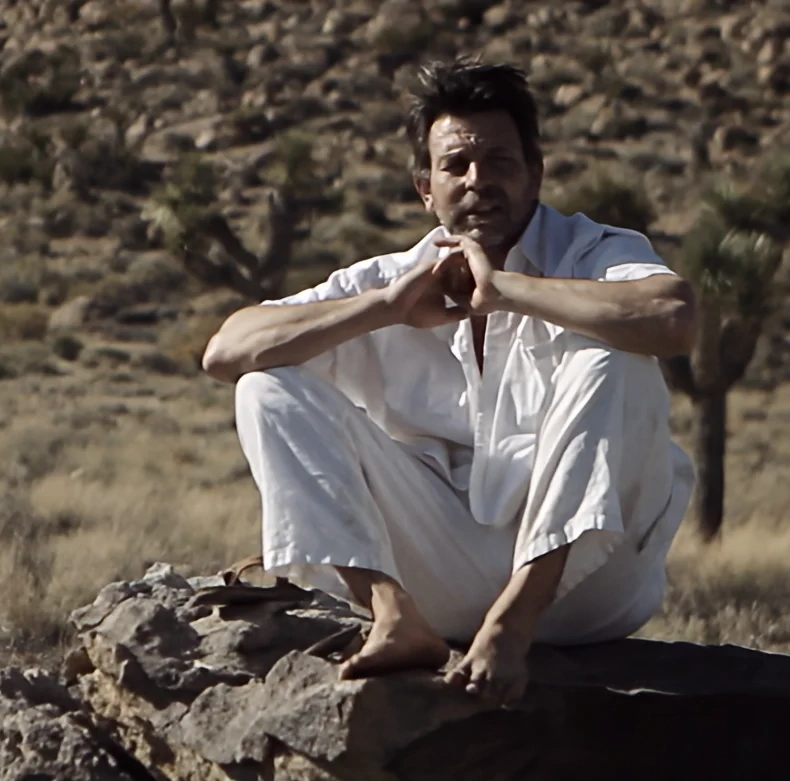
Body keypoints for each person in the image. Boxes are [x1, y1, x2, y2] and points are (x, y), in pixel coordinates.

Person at [199, 58, 698, 705]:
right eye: (457, 165)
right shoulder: (394, 278)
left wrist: (508, 290)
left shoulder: (591, 252)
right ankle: (391, 614)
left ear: (536, 173)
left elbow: (672, 316)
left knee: (612, 355)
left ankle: (511, 627)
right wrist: (384, 308)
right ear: (424, 189)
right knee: (265, 386)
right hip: (438, 574)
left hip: (590, 582)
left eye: (499, 161)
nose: (478, 180)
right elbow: (225, 350)